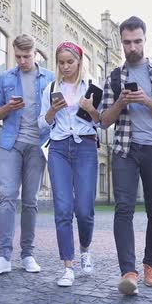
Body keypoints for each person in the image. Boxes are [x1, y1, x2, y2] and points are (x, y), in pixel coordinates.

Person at [99, 16, 152, 295]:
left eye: (137, 41)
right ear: (121, 42)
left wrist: (145, 100)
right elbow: (104, 121)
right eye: (127, 42)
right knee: (124, 209)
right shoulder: (114, 77)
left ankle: (150, 267)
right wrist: (121, 101)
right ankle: (129, 272)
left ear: (144, 40)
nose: (132, 47)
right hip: (125, 149)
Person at [0, 34, 55, 275]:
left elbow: (57, 113)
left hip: (38, 145)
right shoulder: (5, 78)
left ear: (35, 54)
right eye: (18, 56)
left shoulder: (50, 79)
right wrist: (7, 108)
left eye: (27, 56)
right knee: (6, 197)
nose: (22, 61)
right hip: (11, 144)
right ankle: (3, 256)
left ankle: (28, 255)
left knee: (30, 201)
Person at [38, 41, 99, 287]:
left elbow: (104, 122)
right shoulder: (51, 88)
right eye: (61, 62)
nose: (65, 66)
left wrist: (91, 110)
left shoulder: (91, 87)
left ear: (79, 62)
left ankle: (85, 249)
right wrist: (52, 111)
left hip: (85, 146)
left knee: (84, 209)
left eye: (69, 62)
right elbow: (42, 123)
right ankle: (68, 266)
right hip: (59, 148)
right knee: (63, 209)